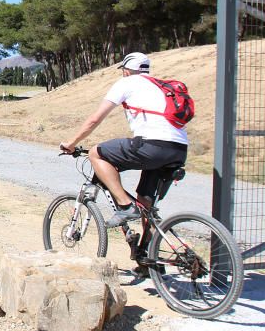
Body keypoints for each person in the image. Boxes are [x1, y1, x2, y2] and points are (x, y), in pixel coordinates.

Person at [59, 52, 188, 227]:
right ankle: (150, 243)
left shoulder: (127, 82)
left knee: (96, 153)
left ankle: (126, 206)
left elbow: (95, 119)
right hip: (179, 150)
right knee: (145, 203)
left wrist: (71, 144)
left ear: (126, 71)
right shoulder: (160, 86)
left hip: (152, 146)